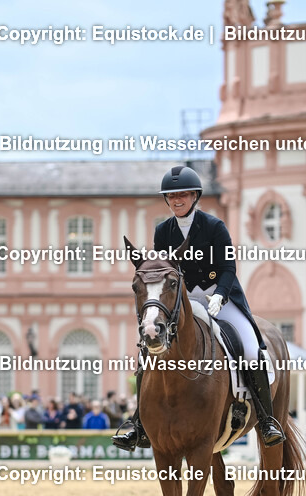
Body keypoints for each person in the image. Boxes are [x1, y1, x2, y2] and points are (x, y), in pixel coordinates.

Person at [113, 165, 285, 450]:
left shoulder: (214, 227)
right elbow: (163, 270)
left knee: (251, 348)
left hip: (219, 297)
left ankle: (266, 420)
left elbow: (228, 267)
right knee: (149, 350)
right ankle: (139, 423)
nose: (177, 200)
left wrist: (219, 295)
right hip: (181, 301)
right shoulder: (163, 231)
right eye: (171, 196)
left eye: (182, 194)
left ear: (194, 196)